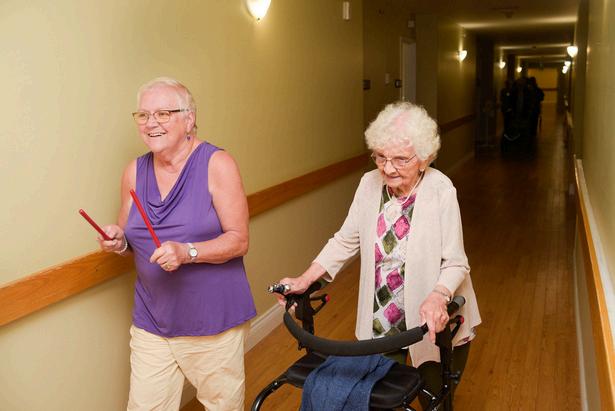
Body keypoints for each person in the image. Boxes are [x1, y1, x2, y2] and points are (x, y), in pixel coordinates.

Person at [276, 101, 481, 405]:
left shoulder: (441, 190)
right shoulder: (368, 184)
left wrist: (438, 296)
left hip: (432, 317)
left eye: (400, 159)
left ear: (424, 158)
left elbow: (455, 263)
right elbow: (346, 240)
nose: (387, 168)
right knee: (381, 399)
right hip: (383, 317)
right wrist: (305, 279)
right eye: (381, 157)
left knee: (434, 398)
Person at [98, 77, 256, 411]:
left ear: (189, 119)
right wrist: (118, 241)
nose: (150, 123)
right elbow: (131, 238)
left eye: (162, 114)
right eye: (143, 115)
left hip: (212, 321)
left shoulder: (217, 164)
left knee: (222, 406)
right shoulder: (134, 171)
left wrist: (188, 252)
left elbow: (239, 240)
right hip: (153, 319)